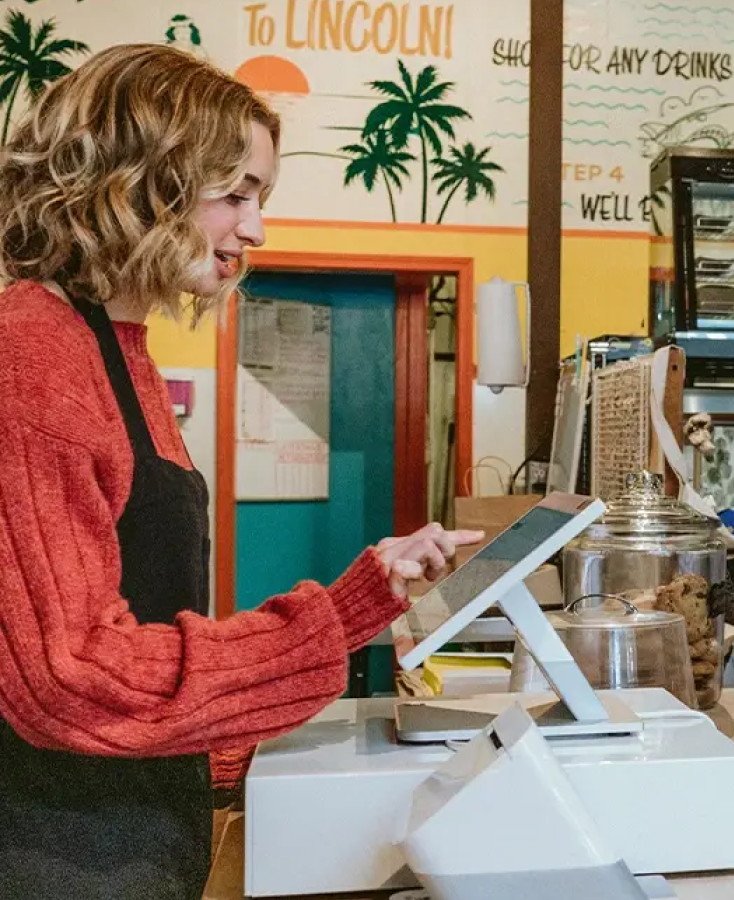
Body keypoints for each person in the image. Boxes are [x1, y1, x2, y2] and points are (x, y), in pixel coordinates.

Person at [0, 45, 483, 899]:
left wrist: (362, 596)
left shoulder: (115, 347)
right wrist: (316, 640)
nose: (255, 230)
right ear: (135, 183)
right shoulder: (32, 352)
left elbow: (138, 617)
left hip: (131, 830)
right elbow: (70, 676)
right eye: (235, 194)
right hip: (59, 852)